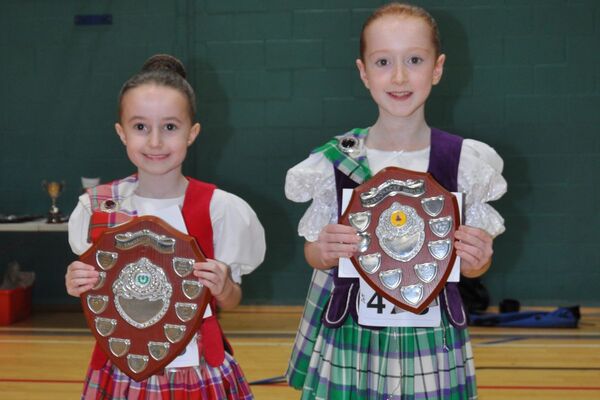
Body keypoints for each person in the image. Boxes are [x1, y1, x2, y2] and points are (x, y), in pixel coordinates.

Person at [284, 3, 506, 399]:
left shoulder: (463, 161)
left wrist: (478, 258)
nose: (400, 76)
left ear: (437, 69)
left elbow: (475, 266)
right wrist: (324, 250)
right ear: (363, 72)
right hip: (353, 333)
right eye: (383, 61)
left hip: (431, 337)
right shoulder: (336, 160)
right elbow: (313, 254)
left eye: (415, 60)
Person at [65, 54, 265, 399]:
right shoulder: (97, 207)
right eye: (140, 127)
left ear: (192, 133)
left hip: (198, 367)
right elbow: (96, 294)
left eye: (170, 127)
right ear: (121, 132)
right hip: (124, 371)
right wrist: (76, 283)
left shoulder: (221, 209)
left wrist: (222, 287)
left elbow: (232, 299)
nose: (155, 142)